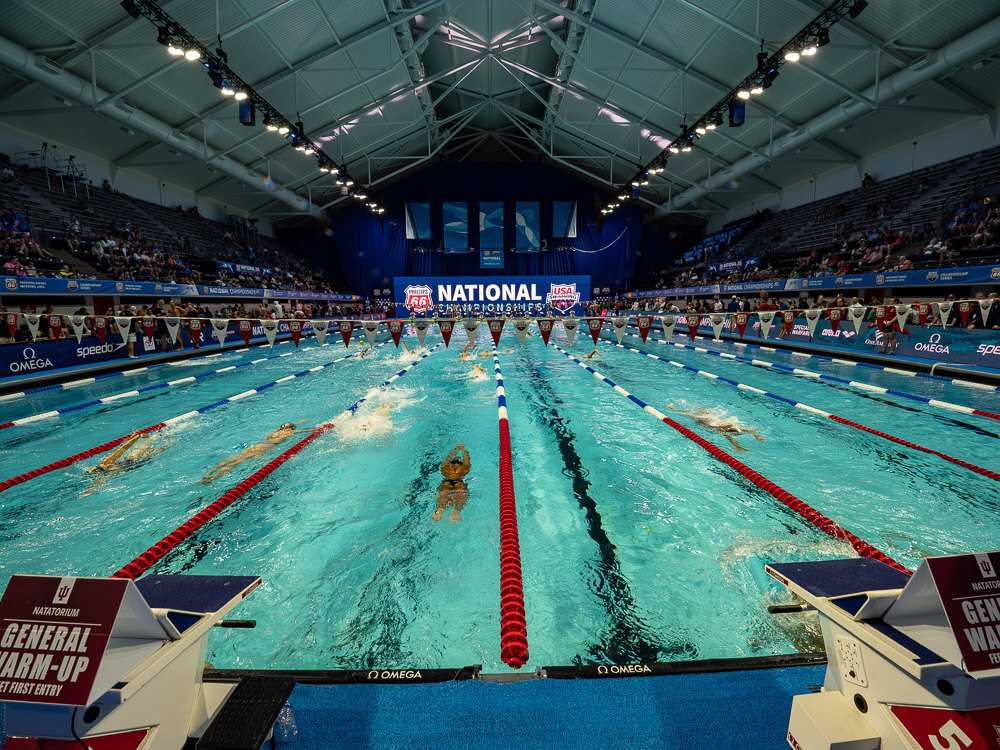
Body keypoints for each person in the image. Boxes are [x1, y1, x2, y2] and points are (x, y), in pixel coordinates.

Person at [199, 421, 313, 484]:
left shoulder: (275, 432)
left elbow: (287, 427)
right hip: (263, 449)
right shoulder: (288, 433)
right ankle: (213, 479)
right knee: (236, 463)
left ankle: (207, 475)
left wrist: (299, 422)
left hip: (256, 446)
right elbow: (303, 431)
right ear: (290, 429)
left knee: (231, 460)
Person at [82, 433, 168, 495]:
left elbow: (124, 448)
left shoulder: (107, 461)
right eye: (106, 467)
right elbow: (98, 482)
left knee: (143, 449)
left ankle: (160, 436)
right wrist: (90, 491)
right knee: (161, 449)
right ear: (104, 471)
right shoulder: (107, 474)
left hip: (133, 459)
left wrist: (138, 436)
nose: (108, 465)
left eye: (103, 465)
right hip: (137, 464)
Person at [666, 403, 764, 453]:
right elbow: (729, 437)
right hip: (702, 421)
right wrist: (736, 446)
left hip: (709, 419)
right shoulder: (723, 429)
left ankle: (674, 408)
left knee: (689, 413)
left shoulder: (733, 427)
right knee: (688, 414)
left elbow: (750, 431)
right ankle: (673, 408)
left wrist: (757, 436)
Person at [434, 444, 470, 522]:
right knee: (462, 496)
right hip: (459, 483)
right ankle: (456, 512)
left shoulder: (445, 468)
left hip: (446, 483)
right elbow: (467, 460)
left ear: (451, 463)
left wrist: (454, 451)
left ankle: (439, 512)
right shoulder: (464, 468)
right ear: (461, 464)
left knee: (443, 495)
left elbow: (446, 459)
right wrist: (464, 450)